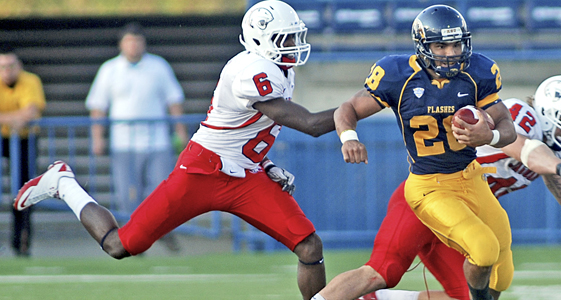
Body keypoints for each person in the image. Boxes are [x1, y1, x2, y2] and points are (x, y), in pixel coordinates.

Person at [14, 1, 333, 298]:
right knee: (119, 245)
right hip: (202, 171)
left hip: (245, 175)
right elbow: (310, 124)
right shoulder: (250, 72)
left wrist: (264, 162)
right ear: (261, 40)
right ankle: (64, 183)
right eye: (285, 38)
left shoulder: (279, 70)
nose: (293, 45)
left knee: (309, 246)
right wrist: (368, 101)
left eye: (294, 37)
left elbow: (248, 128)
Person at [337, 76, 561, 300]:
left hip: (466, 217)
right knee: (380, 270)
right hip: (432, 197)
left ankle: (378, 299)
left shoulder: (553, 151)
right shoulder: (520, 115)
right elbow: (523, 149)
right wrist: (558, 166)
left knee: (484, 288)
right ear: (548, 111)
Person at [314, 5, 519, 300]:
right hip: (430, 186)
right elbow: (348, 108)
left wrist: (491, 135)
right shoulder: (397, 75)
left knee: (503, 271)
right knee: (483, 248)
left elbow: (506, 126)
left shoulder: (478, 71)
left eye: (455, 44)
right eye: (440, 45)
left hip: (471, 178)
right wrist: (349, 137)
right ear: (423, 46)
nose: (450, 53)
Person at [85, 22, 188, 251]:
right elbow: (98, 106)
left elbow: (174, 101)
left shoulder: (159, 66)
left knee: (160, 193)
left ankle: (161, 233)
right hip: (124, 143)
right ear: (121, 44)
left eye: (137, 41)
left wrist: (181, 134)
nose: (133, 46)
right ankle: (132, 241)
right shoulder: (109, 69)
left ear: (144, 43)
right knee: (127, 195)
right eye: (129, 41)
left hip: (157, 141)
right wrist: (97, 137)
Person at [0, 45, 46, 257]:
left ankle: (22, 243)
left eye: (11, 66)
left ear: (19, 66)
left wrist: (10, 119)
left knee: (25, 191)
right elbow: (21, 116)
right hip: (4, 137)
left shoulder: (31, 81)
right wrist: (14, 119)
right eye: (3, 67)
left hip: (25, 140)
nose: (7, 71)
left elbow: (30, 113)